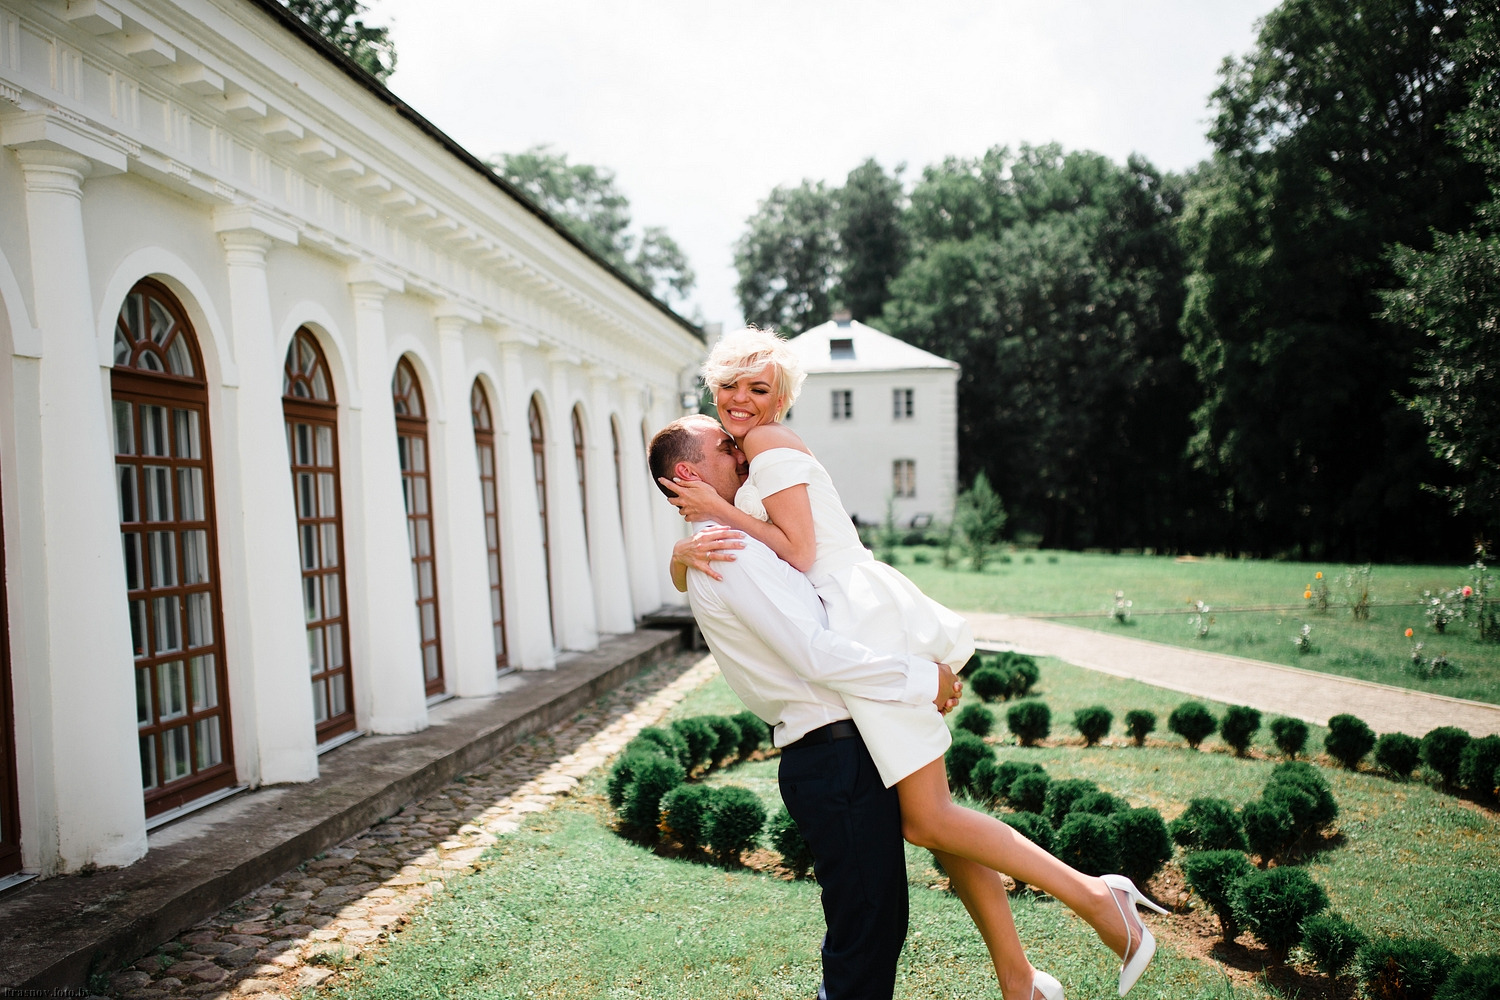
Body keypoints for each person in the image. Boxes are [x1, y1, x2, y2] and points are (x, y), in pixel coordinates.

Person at [662, 328, 1167, 1000]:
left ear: (781, 397)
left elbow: (804, 552)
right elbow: (750, 567)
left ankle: (1100, 901)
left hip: (859, 618)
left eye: (760, 388)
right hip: (853, 618)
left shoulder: (763, 445)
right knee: (936, 820)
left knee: (928, 818)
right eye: (730, 386)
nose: (742, 402)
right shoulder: (748, 464)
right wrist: (683, 553)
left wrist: (719, 511)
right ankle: (1021, 980)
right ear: (713, 386)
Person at [647, 414, 982, 1000]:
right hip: (832, 758)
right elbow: (816, 654)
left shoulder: (730, 541)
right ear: (687, 472)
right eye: (725, 446)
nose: (741, 452)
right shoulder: (727, 552)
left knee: (871, 929)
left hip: (839, 756)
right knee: (866, 935)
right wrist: (920, 679)